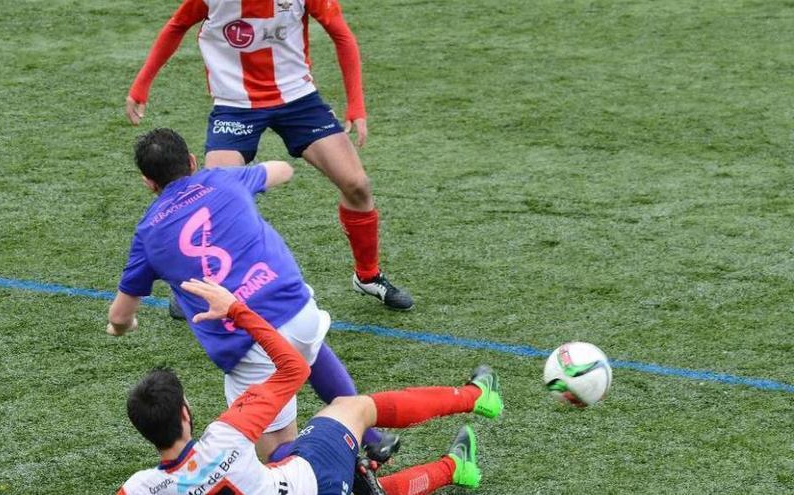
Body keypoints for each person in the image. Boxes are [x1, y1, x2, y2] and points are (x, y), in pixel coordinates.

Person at [106, 128, 393, 462]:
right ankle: (371, 436)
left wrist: (121, 327)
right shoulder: (223, 180)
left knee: (274, 449)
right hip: (298, 310)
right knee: (308, 349)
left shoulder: (148, 232)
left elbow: (119, 315)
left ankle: (338, 462)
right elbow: (282, 170)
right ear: (192, 162)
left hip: (247, 347)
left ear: (148, 182)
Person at [124, 0, 413, 311]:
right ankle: (204, 288)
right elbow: (176, 26)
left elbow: (341, 34)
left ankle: (367, 276)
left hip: (298, 100)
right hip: (235, 106)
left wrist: (356, 104)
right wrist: (141, 85)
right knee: (212, 200)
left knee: (357, 185)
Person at [116, 277, 503, 495]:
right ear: (186, 413)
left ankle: (456, 468)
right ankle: (477, 395)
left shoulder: (142, 488)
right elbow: (294, 367)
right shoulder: (225, 436)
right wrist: (236, 309)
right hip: (311, 479)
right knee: (352, 409)